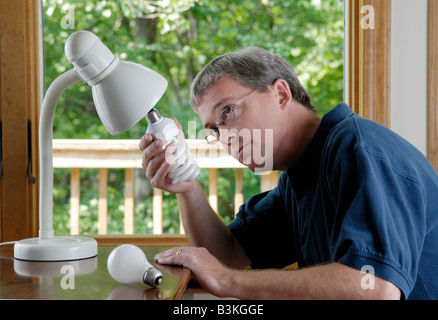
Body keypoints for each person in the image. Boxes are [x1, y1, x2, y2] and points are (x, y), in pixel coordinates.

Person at [139, 47, 438, 300]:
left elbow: (375, 287)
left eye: (228, 112)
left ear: (281, 94)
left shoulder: (358, 149)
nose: (224, 137)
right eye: (214, 130)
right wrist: (187, 187)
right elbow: (227, 253)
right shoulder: (298, 178)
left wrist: (228, 281)